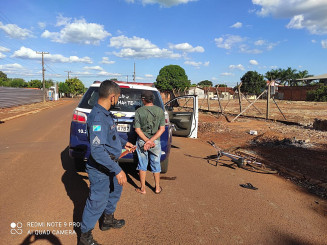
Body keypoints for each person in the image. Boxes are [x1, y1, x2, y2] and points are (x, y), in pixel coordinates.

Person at [79, 80, 135, 245]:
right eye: (117, 97)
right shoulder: (97, 118)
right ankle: (84, 237)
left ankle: (107, 221)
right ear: (112, 97)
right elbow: (97, 151)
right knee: (97, 201)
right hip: (100, 168)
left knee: (114, 193)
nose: (117, 100)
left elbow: (111, 136)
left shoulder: (105, 114)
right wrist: (118, 170)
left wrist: (124, 143)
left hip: (110, 164)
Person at [134, 90, 165, 194]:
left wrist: (147, 141)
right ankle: (157, 188)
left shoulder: (139, 111)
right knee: (156, 163)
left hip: (142, 142)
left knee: (142, 164)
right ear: (152, 99)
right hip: (155, 142)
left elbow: (137, 130)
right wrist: (151, 141)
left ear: (143, 99)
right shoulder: (160, 111)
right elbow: (162, 129)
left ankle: (143, 188)